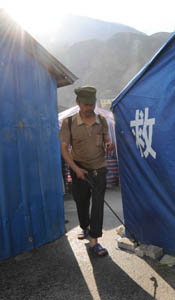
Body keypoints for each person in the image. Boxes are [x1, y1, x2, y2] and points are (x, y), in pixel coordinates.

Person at [58, 86, 115, 257]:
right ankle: (85, 227)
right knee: (81, 203)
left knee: (98, 205)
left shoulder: (102, 121)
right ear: (78, 103)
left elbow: (107, 139)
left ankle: (94, 241)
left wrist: (108, 144)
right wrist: (76, 169)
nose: (89, 108)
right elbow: (64, 150)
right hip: (78, 169)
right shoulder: (69, 122)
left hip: (99, 169)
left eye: (91, 104)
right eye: (85, 105)